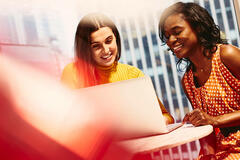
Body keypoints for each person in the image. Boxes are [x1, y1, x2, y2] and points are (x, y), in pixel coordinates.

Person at [158, 2, 240, 160]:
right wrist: (208, 155)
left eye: (177, 32)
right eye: (167, 36)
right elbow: (207, 131)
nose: (171, 40)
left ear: (199, 28)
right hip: (223, 150)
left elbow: (212, 122)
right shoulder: (187, 81)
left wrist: (215, 120)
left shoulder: (227, 55)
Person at [61, 13, 174, 125]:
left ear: (116, 38)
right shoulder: (72, 72)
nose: (105, 50)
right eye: (96, 46)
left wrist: (156, 122)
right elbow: (66, 120)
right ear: (86, 49)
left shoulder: (133, 75)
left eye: (109, 41)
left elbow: (166, 116)